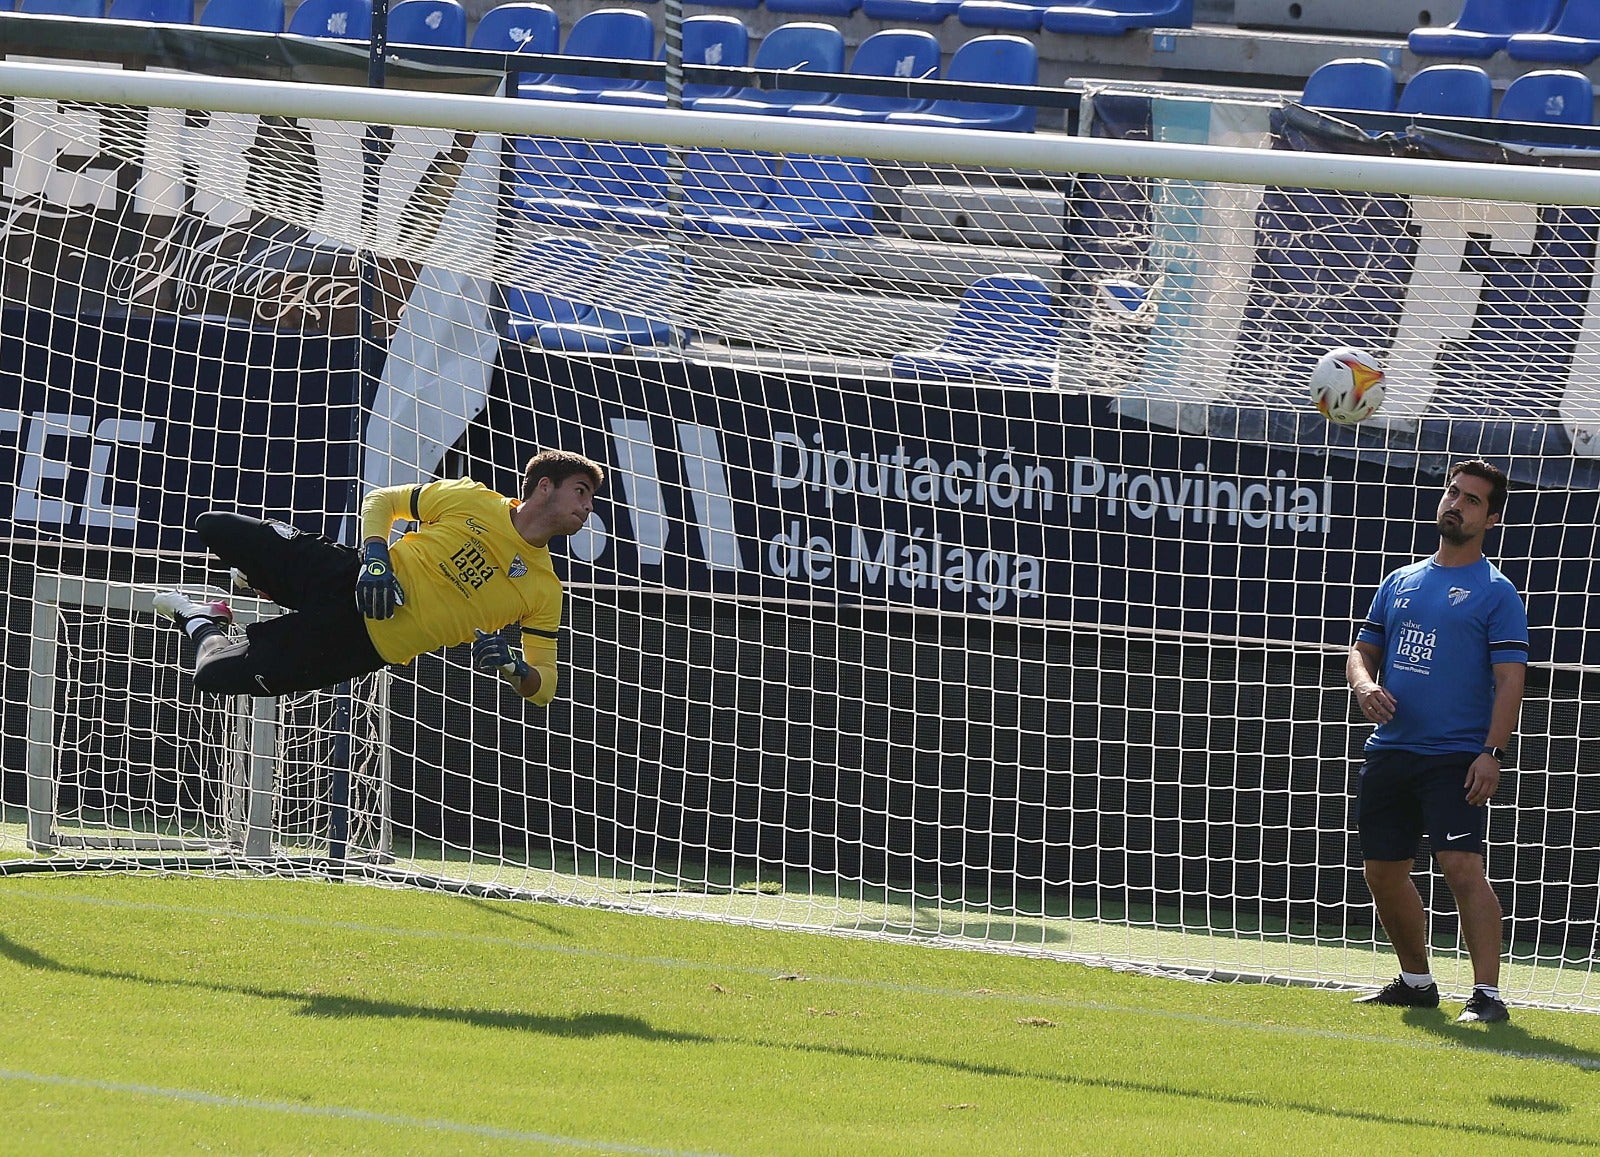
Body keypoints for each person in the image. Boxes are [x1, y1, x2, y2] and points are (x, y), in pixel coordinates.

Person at [153, 450, 604, 705]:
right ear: (544, 486)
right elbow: (382, 501)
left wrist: (515, 668)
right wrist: (375, 560)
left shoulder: (545, 589)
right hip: (348, 576)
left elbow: (545, 687)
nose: (587, 507)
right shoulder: (472, 499)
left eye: (590, 499)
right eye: (580, 492)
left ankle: (201, 619)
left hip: (357, 647)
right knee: (215, 527)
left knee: (212, 676)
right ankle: (264, 582)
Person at [1346, 458, 1527, 1024]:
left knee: (1460, 866)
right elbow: (1362, 651)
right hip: (1391, 750)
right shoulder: (1399, 582)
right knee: (1382, 871)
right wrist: (1365, 685)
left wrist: (1491, 753)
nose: (1457, 504)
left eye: (1473, 500)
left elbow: (1510, 681)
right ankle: (1417, 982)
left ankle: (1487, 996)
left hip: (1455, 756)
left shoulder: (1497, 593)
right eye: (1453, 493)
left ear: (1491, 519)